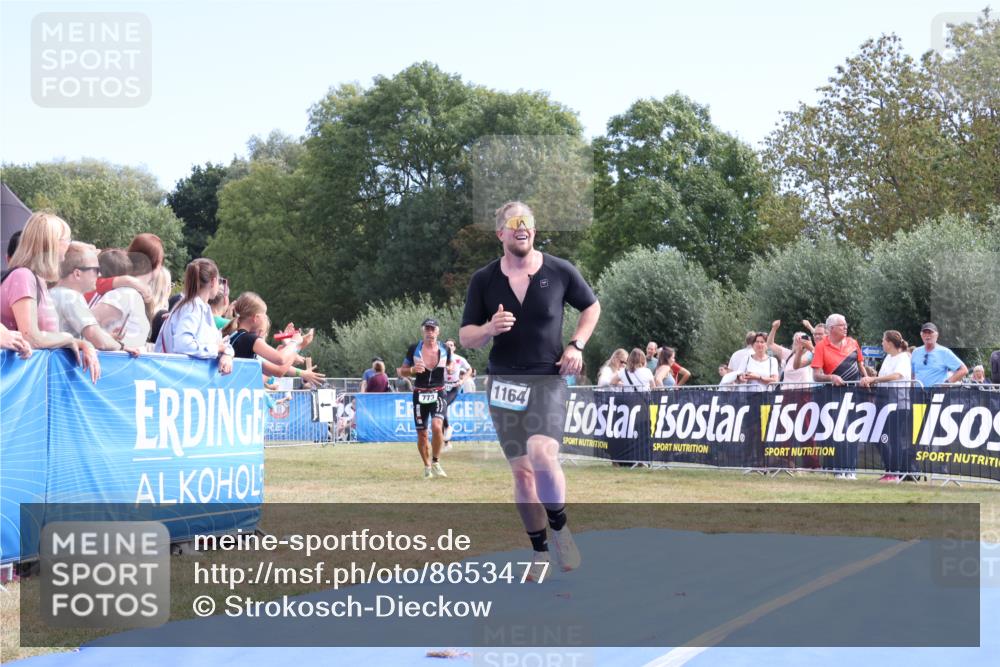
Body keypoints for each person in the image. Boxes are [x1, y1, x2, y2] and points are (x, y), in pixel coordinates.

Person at [460, 200, 600, 580]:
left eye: (528, 222)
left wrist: (577, 345)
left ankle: (560, 529)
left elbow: (591, 307)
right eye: (513, 222)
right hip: (503, 381)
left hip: (547, 377)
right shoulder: (484, 280)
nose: (522, 227)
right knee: (521, 474)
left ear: (533, 230)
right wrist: (489, 328)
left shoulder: (559, 270)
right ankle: (539, 552)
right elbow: (465, 336)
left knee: (542, 452)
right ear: (500, 234)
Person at [1, 212, 99, 382]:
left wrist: (79, 342)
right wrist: (69, 339)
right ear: (51, 243)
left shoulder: (35, 279)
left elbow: (42, 336)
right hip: (14, 384)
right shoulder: (23, 276)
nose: (68, 246)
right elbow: (31, 337)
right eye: (66, 240)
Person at [51, 243, 141, 354]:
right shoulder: (71, 297)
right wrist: (121, 347)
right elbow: (98, 340)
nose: (99, 275)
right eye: (96, 270)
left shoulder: (53, 293)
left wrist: (108, 338)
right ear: (77, 274)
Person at [811, 314, 868, 479]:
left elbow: (860, 365)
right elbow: (816, 375)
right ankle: (838, 469)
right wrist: (831, 377)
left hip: (855, 392)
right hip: (834, 393)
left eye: (845, 325)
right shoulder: (821, 346)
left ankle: (851, 469)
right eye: (842, 325)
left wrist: (866, 378)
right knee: (839, 430)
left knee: (853, 430)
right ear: (831, 329)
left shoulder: (853, 342)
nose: (845, 327)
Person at [153, 258, 234, 374]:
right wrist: (216, 349)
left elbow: (221, 343)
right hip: (176, 377)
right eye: (219, 281)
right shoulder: (191, 308)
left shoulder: (198, 307)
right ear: (213, 281)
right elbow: (183, 345)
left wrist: (227, 354)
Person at [400, 318, 452, 479]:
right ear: (423, 331)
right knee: (422, 434)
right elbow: (402, 371)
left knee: (437, 426)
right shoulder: (414, 348)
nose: (430, 332)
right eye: (427, 329)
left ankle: (436, 461)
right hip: (419, 394)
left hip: (438, 392)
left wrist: (450, 369)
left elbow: (450, 365)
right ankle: (427, 466)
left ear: (438, 331)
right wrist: (413, 370)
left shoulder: (445, 349)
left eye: (433, 329)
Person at [859, 330, 912, 481]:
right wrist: (869, 379)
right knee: (877, 436)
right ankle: (890, 470)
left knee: (893, 439)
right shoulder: (888, 357)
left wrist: (874, 380)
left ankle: (894, 472)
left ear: (889, 343)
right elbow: (882, 377)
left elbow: (897, 375)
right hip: (884, 402)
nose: (882, 343)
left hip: (899, 403)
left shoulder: (903, 358)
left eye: (883, 340)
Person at [91, 249, 151, 349]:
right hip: (125, 356)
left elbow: (84, 323)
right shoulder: (129, 293)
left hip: (115, 358)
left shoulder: (121, 295)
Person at [911, 322, 967, 387]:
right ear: (921, 335)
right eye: (925, 333)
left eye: (930, 332)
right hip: (918, 394)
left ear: (937, 335)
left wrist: (946, 383)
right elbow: (912, 374)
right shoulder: (916, 352)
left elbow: (963, 370)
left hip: (937, 393)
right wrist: (911, 390)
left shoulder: (944, 352)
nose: (927, 335)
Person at [442, 338, 472, 447]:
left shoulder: (459, 359)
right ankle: (446, 441)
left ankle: (448, 429)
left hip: (454, 387)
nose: (449, 346)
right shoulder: (440, 358)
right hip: (442, 386)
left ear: (454, 347)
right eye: (447, 345)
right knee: (439, 412)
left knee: (443, 406)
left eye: (451, 345)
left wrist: (462, 380)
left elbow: (470, 369)